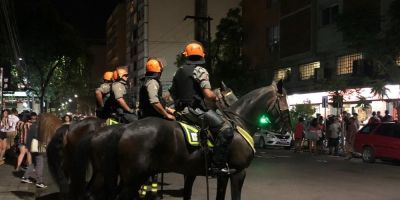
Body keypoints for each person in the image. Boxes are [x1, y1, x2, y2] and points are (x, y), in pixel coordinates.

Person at [169, 42, 234, 174]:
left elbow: (172, 94)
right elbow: (207, 94)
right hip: (194, 111)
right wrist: (218, 96)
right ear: (201, 56)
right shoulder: (200, 70)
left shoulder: (178, 72)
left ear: (186, 55)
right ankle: (217, 166)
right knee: (226, 129)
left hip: (180, 111)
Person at [138, 58, 175, 199]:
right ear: (158, 71)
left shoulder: (147, 81)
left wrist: (168, 109)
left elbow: (157, 101)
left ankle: (150, 191)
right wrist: (166, 114)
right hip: (152, 118)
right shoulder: (153, 82)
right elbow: (154, 101)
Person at [21, 112, 47, 188]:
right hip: (37, 147)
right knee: (40, 164)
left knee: (33, 163)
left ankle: (25, 177)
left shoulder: (33, 125)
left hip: (32, 147)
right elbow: (37, 137)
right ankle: (39, 181)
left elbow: (29, 137)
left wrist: (28, 147)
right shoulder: (37, 127)